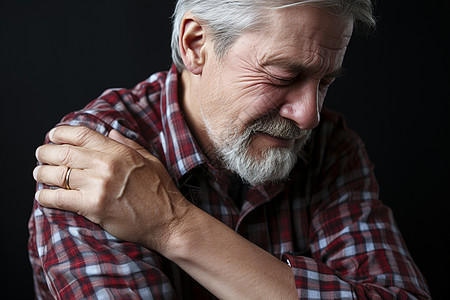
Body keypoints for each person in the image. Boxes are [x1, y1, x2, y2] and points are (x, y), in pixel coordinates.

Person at [29, 0, 431, 299]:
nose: (309, 116)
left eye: (324, 81)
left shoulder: (331, 147)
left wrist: (173, 225)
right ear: (196, 44)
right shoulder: (89, 161)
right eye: (283, 75)